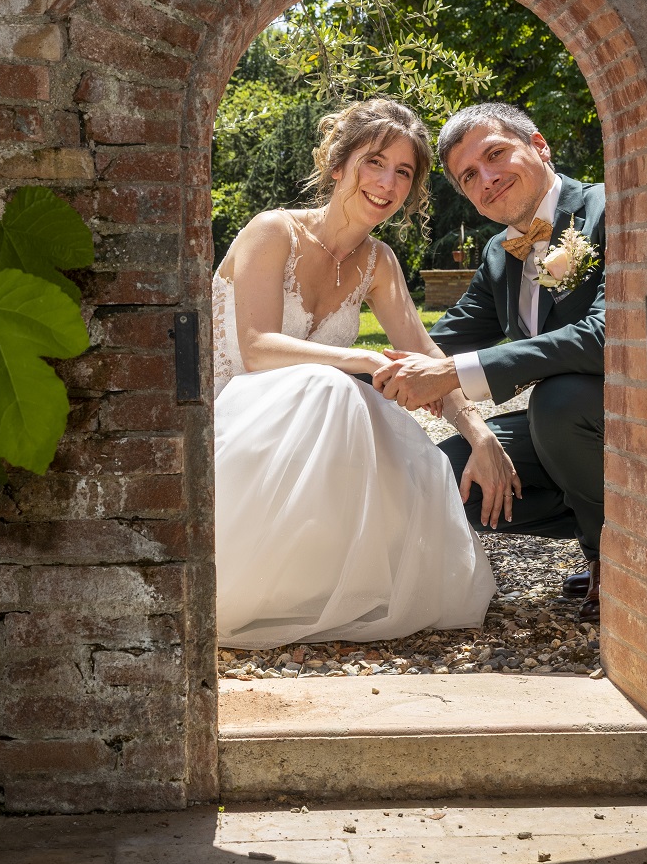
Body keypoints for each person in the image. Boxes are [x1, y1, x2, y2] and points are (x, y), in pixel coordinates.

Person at [212, 98, 514, 649]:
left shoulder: (379, 263)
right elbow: (256, 350)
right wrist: (364, 361)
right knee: (338, 388)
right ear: (337, 165)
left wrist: (481, 435)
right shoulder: (273, 231)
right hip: (229, 422)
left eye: (404, 172)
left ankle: (326, 588)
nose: (388, 182)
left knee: (366, 412)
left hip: (307, 430)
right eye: (375, 162)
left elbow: (425, 357)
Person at [372, 103, 605, 622]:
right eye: (469, 177)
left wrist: (454, 375)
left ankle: (614, 555)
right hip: (569, 436)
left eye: (496, 154)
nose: (488, 180)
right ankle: (602, 517)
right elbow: (441, 343)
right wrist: (350, 377)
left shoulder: (610, 209)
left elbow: (609, 334)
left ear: (539, 145)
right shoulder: (500, 254)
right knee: (446, 474)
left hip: (635, 420)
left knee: (557, 401)